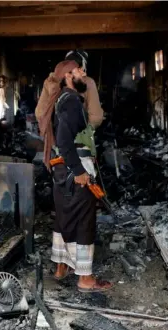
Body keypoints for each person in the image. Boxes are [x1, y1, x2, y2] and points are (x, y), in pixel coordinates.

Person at [46, 59, 113, 293]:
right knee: (84, 221)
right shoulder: (72, 101)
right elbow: (64, 140)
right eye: (79, 71)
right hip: (73, 168)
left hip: (62, 171)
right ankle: (85, 278)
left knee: (65, 216)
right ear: (67, 76)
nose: (84, 73)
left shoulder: (63, 99)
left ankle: (61, 266)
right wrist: (79, 171)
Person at [35, 49, 103, 168]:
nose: (83, 73)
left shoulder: (50, 82)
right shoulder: (86, 84)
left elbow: (40, 113)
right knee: (82, 181)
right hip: (79, 147)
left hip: (55, 144)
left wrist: (52, 131)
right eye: (80, 69)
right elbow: (96, 118)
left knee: (61, 177)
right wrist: (85, 134)